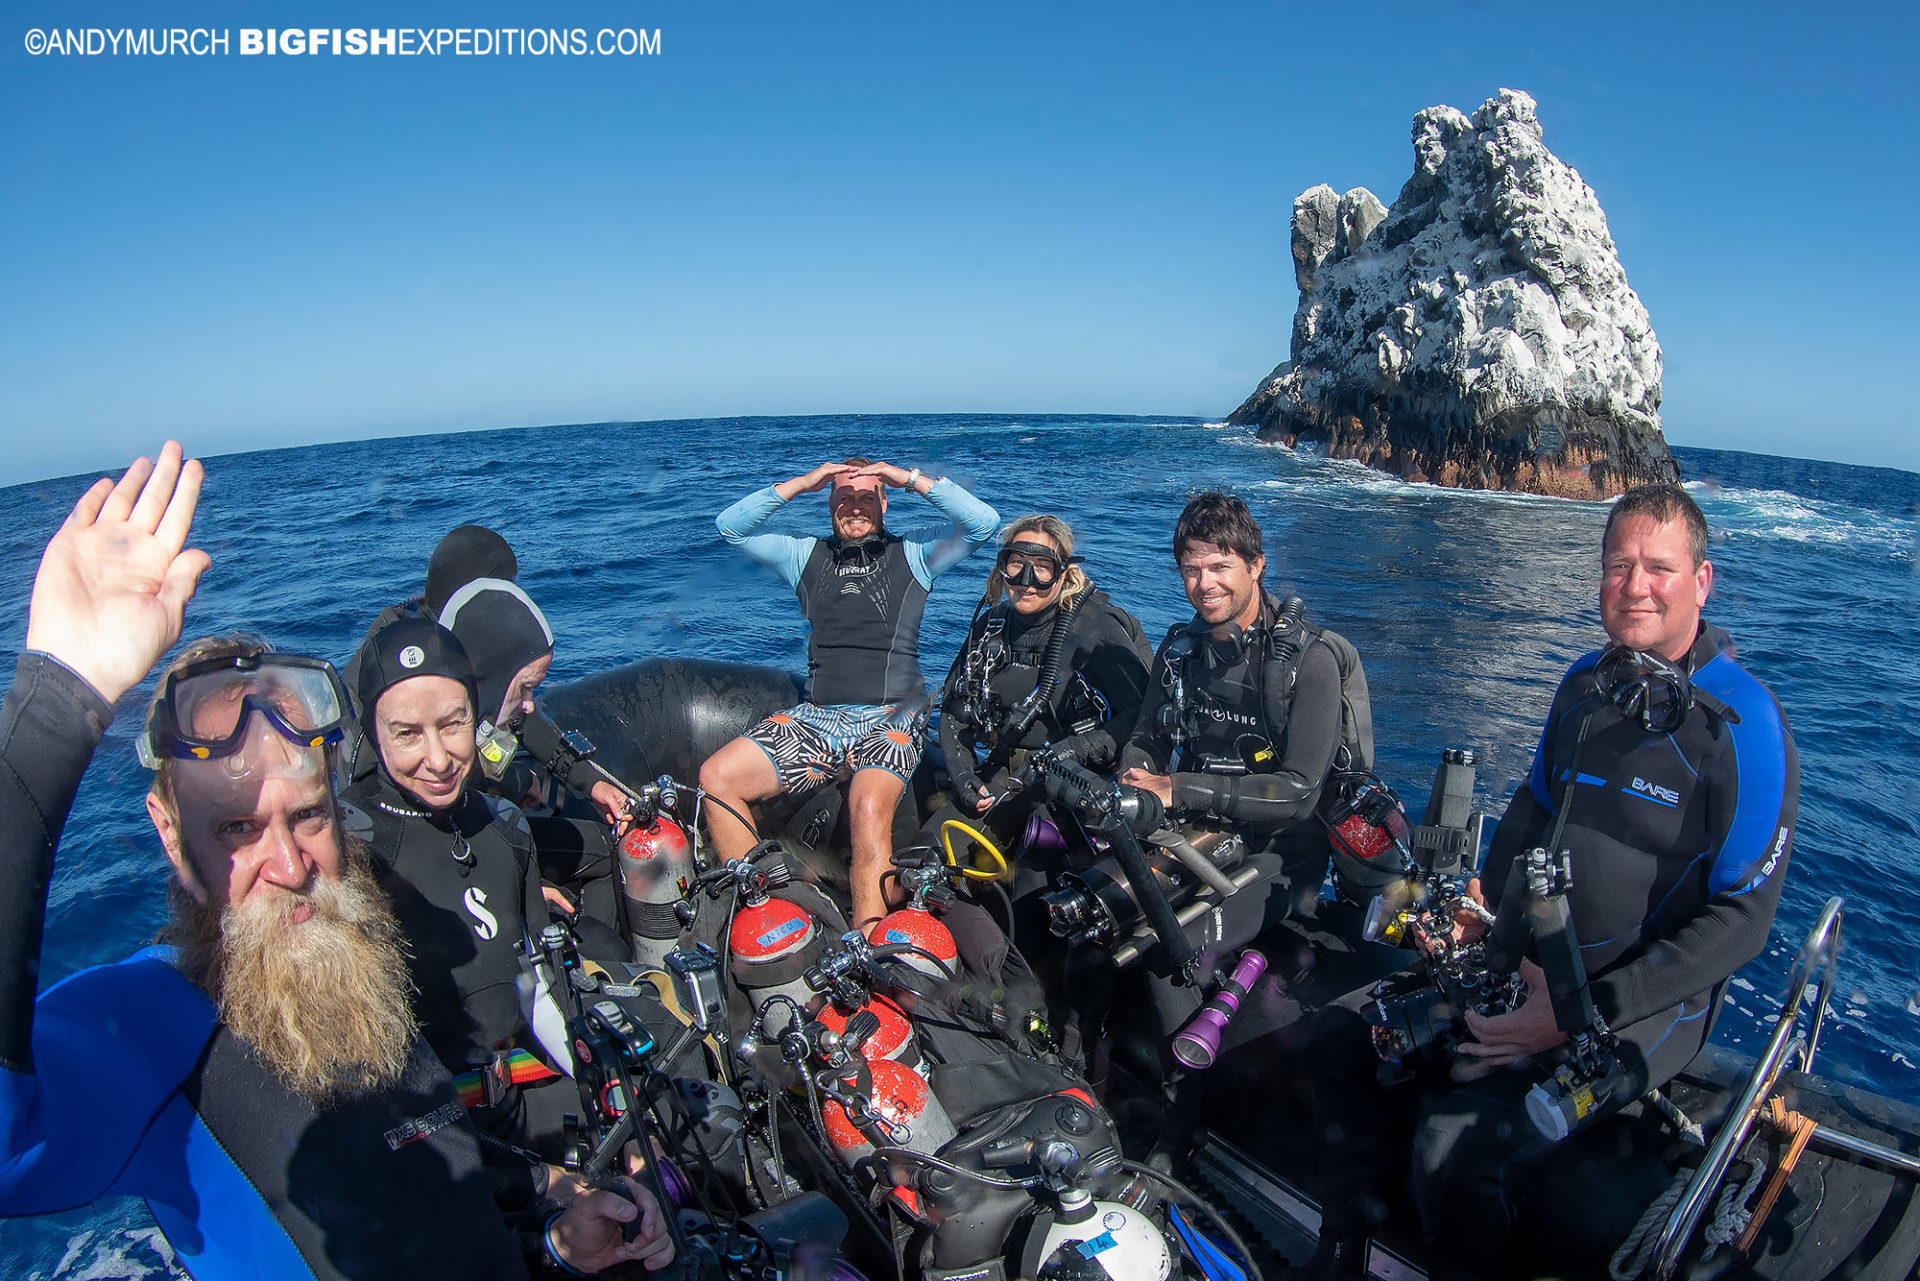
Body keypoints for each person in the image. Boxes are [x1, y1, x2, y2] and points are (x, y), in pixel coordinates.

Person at [0, 444, 672, 1279]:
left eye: (309, 815)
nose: (287, 862)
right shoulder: (157, 1018)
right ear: (170, 838)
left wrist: (554, 1212)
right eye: (237, 829)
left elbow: (425, 1152)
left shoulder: (351, 956)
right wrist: (58, 701)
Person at [1295, 483, 1799, 1280]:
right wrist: (1485, 915)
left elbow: (1743, 922)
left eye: (1658, 567)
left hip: (1640, 1006)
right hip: (1527, 963)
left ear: (1702, 582)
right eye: (1617, 564)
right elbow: (1532, 808)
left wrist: (1571, 1015)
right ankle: (1339, 1256)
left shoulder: (1742, 726)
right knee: (1340, 1039)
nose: (1635, 585)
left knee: (1452, 1148)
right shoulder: (1582, 688)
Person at [700, 458, 998, 933]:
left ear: (883, 503)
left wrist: (904, 478)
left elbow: (984, 523)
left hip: (893, 716)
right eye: (843, 499)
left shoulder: (916, 555)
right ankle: (760, 910)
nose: (854, 508)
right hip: (818, 717)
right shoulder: (804, 556)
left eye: (866, 498)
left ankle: (866, 942)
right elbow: (730, 528)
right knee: (717, 776)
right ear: (830, 505)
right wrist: (805, 482)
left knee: (866, 806)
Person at [932, 514, 1153, 887]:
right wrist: (964, 774)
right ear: (1002, 568)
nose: (1026, 581)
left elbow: (1143, 714)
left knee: (1032, 885)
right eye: (1016, 564)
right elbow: (954, 713)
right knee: (928, 856)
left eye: (1042, 568)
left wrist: (1077, 749)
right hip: (1006, 772)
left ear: (1064, 574)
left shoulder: (1093, 629)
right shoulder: (991, 626)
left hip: (1073, 782)